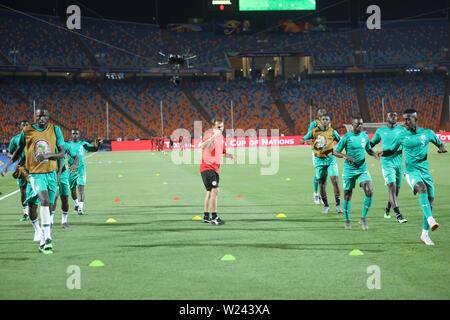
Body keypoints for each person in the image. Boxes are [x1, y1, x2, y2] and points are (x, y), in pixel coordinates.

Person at [1, 107, 65, 254]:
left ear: (49, 117)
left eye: (44, 116)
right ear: (35, 117)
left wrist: (48, 157)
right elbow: (18, 149)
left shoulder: (56, 130)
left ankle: (43, 241)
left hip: (51, 173)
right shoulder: (27, 131)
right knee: (43, 200)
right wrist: (8, 166)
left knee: (48, 206)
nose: (41, 118)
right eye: (39, 116)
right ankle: (48, 238)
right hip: (35, 174)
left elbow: (61, 153)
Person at [380, 109, 447, 245]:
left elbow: (440, 143)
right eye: (404, 119)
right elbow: (391, 150)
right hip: (411, 171)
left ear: (415, 119)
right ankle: (430, 219)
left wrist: (442, 148)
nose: (405, 122)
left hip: (425, 171)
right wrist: (381, 153)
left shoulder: (427, 133)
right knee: (422, 189)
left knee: (430, 201)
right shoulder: (402, 135)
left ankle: (424, 235)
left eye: (408, 119)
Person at [334, 117, 380, 230]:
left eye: (361, 124)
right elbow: (335, 151)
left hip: (362, 169)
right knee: (347, 195)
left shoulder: (364, 136)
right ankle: (347, 219)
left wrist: (374, 154)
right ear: (352, 125)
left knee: (369, 190)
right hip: (349, 170)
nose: (360, 126)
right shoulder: (346, 137)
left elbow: (368, 149)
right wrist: (345, 156)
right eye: (358, 124)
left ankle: (363, 218)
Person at [301, 114, 343, 214]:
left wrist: (338, 152)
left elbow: (341, 142)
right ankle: (326, 206)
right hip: (319, 160)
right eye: (323, 119)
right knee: (322, 184)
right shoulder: (314, 131)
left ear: (329, 121)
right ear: (320, 120)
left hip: (330, 160)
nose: (324, 121)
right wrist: (307, 141)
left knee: (335, 181)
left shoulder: (333, 131)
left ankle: (338, 205)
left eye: (326, 119)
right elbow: (301, 140)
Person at [370, 111, 407, 223]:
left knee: (396, 190)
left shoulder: (402, 130)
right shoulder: (381, 131)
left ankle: (388, 207)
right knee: (392, 186)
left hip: (399, 163)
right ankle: (398, 214)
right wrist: (373, 153)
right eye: (391, 115)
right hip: (387, 163)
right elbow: (370, 144)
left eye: (395, 115)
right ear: (386, 117)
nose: (393, 117)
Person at [200, 117, 235, 225]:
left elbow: (223, 152)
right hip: (207, 167)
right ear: (213, 127)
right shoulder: (209, 135)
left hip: (215, 168)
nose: (221, 128)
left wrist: (229, 155)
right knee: (215, 190)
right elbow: (202, 146)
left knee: (210, 191)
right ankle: (214, 217)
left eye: (222, 126)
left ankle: (206, 216)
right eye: (218, 127)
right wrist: (213, 137)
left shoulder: (222, 138)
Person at [65, 129, 102, 215]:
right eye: (73, 133)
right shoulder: (68, 144)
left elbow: (95, 149)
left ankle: (80, 208)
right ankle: (77, 204)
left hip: (81, 169)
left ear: (79, 135)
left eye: (76, 134)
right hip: (71, 170)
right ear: (71, 135)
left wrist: (99, 144)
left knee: (80, 188)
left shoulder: (83, 144)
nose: (74, 135)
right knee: (72, 190)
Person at [51, 141, 79, 229]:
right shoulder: (47, 144)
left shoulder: (65, 145)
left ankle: (64, 221)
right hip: (50, 173)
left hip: (62, 174)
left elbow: (76, 157)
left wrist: (74, 164)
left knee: (65, 198)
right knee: (54, 197)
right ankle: (50, 221)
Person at [8, 119, 30, 221]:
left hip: (34, 168)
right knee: (23, 190)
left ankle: (33, 210)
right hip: (21, 168)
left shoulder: (34, 137)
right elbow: (10, 153)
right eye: (23, 125)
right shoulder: (15, 139)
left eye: (26, 125)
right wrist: (15, 158)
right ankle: (25, 213)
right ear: (20, 127)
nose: (25, 126)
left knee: (35, 189)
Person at [307, 108, 328, 204]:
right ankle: (316, 194)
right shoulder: (314, 124)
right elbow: (309, 136)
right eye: (321, 114)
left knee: (326, 174)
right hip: (316, 152)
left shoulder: (328, 124)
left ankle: (322, 195)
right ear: (319, 116)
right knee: (319, 173)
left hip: (326, 152)